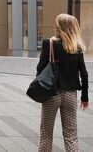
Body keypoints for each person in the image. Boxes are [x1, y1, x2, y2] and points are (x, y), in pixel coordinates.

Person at [37, 13, 89, 152]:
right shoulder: (77, 48)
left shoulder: (49, 44)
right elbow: (84, 74)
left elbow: (40, 69)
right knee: (71, 135)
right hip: (70, 95)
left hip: (52, 94)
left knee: (46, 134)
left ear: (58, 27)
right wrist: (85, 97)